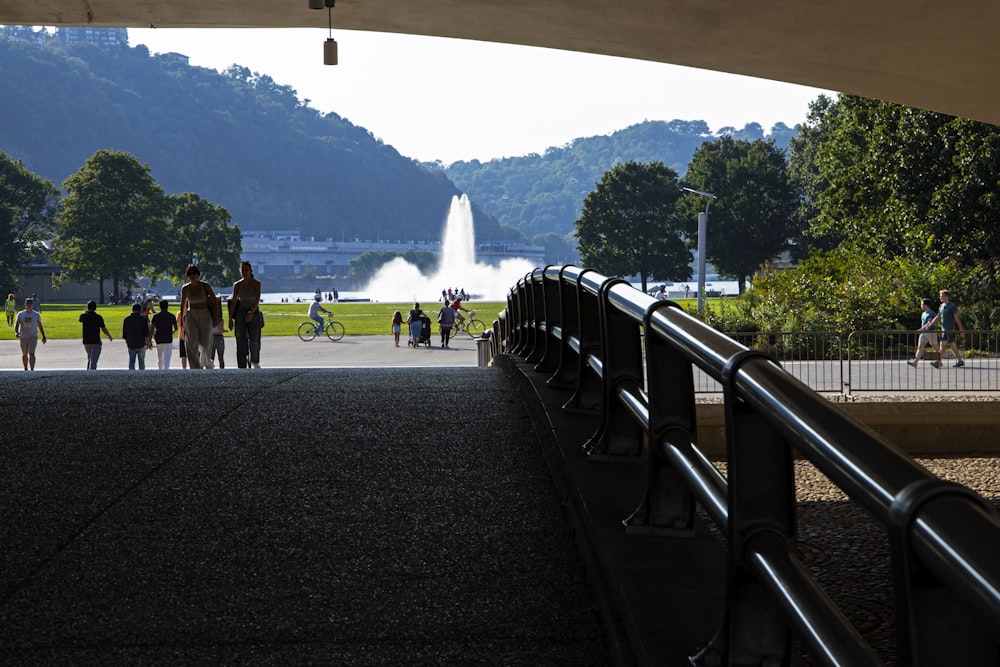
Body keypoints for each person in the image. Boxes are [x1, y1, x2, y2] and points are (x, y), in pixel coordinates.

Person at [177, 264, 221, 369]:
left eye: (194, 273)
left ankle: (206, 362)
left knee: (206, 342)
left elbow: (214, 300)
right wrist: (181, 322)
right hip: (191, 315)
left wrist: (215, 317)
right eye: (190, 273)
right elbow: (183, 304)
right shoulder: (185, 288)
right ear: (187, 275)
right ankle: (194, 367)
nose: (192, 275)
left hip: (205, 314)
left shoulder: (205, 286)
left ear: (198, 275)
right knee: (191, 343)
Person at [230, 260, 262, 368]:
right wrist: (230, 318)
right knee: (240, 339)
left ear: (250, 271)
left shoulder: (256, 284)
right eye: (242, 270)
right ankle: (242, 364)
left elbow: (257, 299)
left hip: (253, 311)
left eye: (246, 270)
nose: (244, 272)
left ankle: (255, 361)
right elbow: (234, 301)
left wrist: (251, 312)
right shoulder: (237, 285)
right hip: (241, 312)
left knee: (254, 339)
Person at [926, 289, 965, 368]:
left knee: (943, 345)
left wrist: (961, 329)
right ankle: (960, 360)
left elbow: (957, 318)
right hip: (944, 329)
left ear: (947, 297)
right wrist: (930, 325)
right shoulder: (941, 306)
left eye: (942, 296)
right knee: (952, 344)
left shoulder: (951, 306)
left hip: (949, 329)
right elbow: (937, 317)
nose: (940, 298)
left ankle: (938, 361)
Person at [79, 300, 113, 370]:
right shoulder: (98, 317)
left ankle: (88, 371)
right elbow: (103, 328)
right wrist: (109, 335)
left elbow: (80, 319)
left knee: (89, 358)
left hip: (86, 340)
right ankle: (92, 374)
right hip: (95, 341)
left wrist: (86, 311)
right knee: (93, 360)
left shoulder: (83, 316)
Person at [14, 297, 46, 370]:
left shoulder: (36, 314)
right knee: (24, 353)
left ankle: (32, 369)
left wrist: (43, 336)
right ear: (25, 305)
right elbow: (17, 324)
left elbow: (40, 325)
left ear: (32, 305)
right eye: (27, 304)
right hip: (23, 336)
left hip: (33, 336)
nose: (29, 305)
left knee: (31, 353)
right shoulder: (21, 314)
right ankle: (25, 368)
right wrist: (16, 332)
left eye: (30, 304)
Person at [907, 298, 940, 367]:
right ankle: (915, 362)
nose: (921, 306)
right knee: (920, 346)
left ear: (926, 305)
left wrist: (921, 329)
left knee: (935, 347)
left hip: (931, 332)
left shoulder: (931, 313)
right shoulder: (923, 314)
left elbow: (929, 323)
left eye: (922, 304)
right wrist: (922, 330)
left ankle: (939, 360)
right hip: (924, 333)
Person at [150, 300, 178, 370]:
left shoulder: (156, 316)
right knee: (167, 356)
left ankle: (160, 368)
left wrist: (150, 338)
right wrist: (173, 331)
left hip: (158, 338)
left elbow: (152, 328)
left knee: (160, 356)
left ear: (160, 306)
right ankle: (166, 369)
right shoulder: (171, 316)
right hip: (168, 338)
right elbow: (176, 327)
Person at [122, 302, 151, 370]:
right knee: (141, 361)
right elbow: (146, 333)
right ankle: (141, 376)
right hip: (141, 343)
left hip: (131, 343)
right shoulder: (143, 319)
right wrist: (148, 342)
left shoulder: (127, 319)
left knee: (131, 361)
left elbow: (125, 334)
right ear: (140, 310)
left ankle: (132, 375)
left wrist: (127, 341)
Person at [210, 296, 226, 369]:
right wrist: (223, 331)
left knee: (211, 358)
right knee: (221, 358)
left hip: (211, 339)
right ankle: (222, 369)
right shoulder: (220, 320)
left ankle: (210, 370)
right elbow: (221, 331)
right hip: (219, 338)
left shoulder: (209, 320)